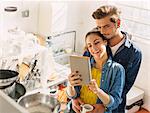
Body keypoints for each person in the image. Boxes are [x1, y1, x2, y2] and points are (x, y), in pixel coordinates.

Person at [82, 5, 142, 113]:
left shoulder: (134, 53)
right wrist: (75, 98)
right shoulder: (96, 43)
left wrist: (104, 106)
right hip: (87, 105)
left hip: (113, 108)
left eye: (106, 26)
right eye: (99, 27)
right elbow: (83, 71)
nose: (102, 31)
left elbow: (124, 87)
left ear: (118, 23)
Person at [66, 29, 125, 113]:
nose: (93, 48)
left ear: (105, 42)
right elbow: (73, 95)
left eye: (97, 42)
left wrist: (98, 91)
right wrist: (70, 85)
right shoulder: (82, 64)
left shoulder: (117, 69)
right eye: (89, 45)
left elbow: (114, 102)